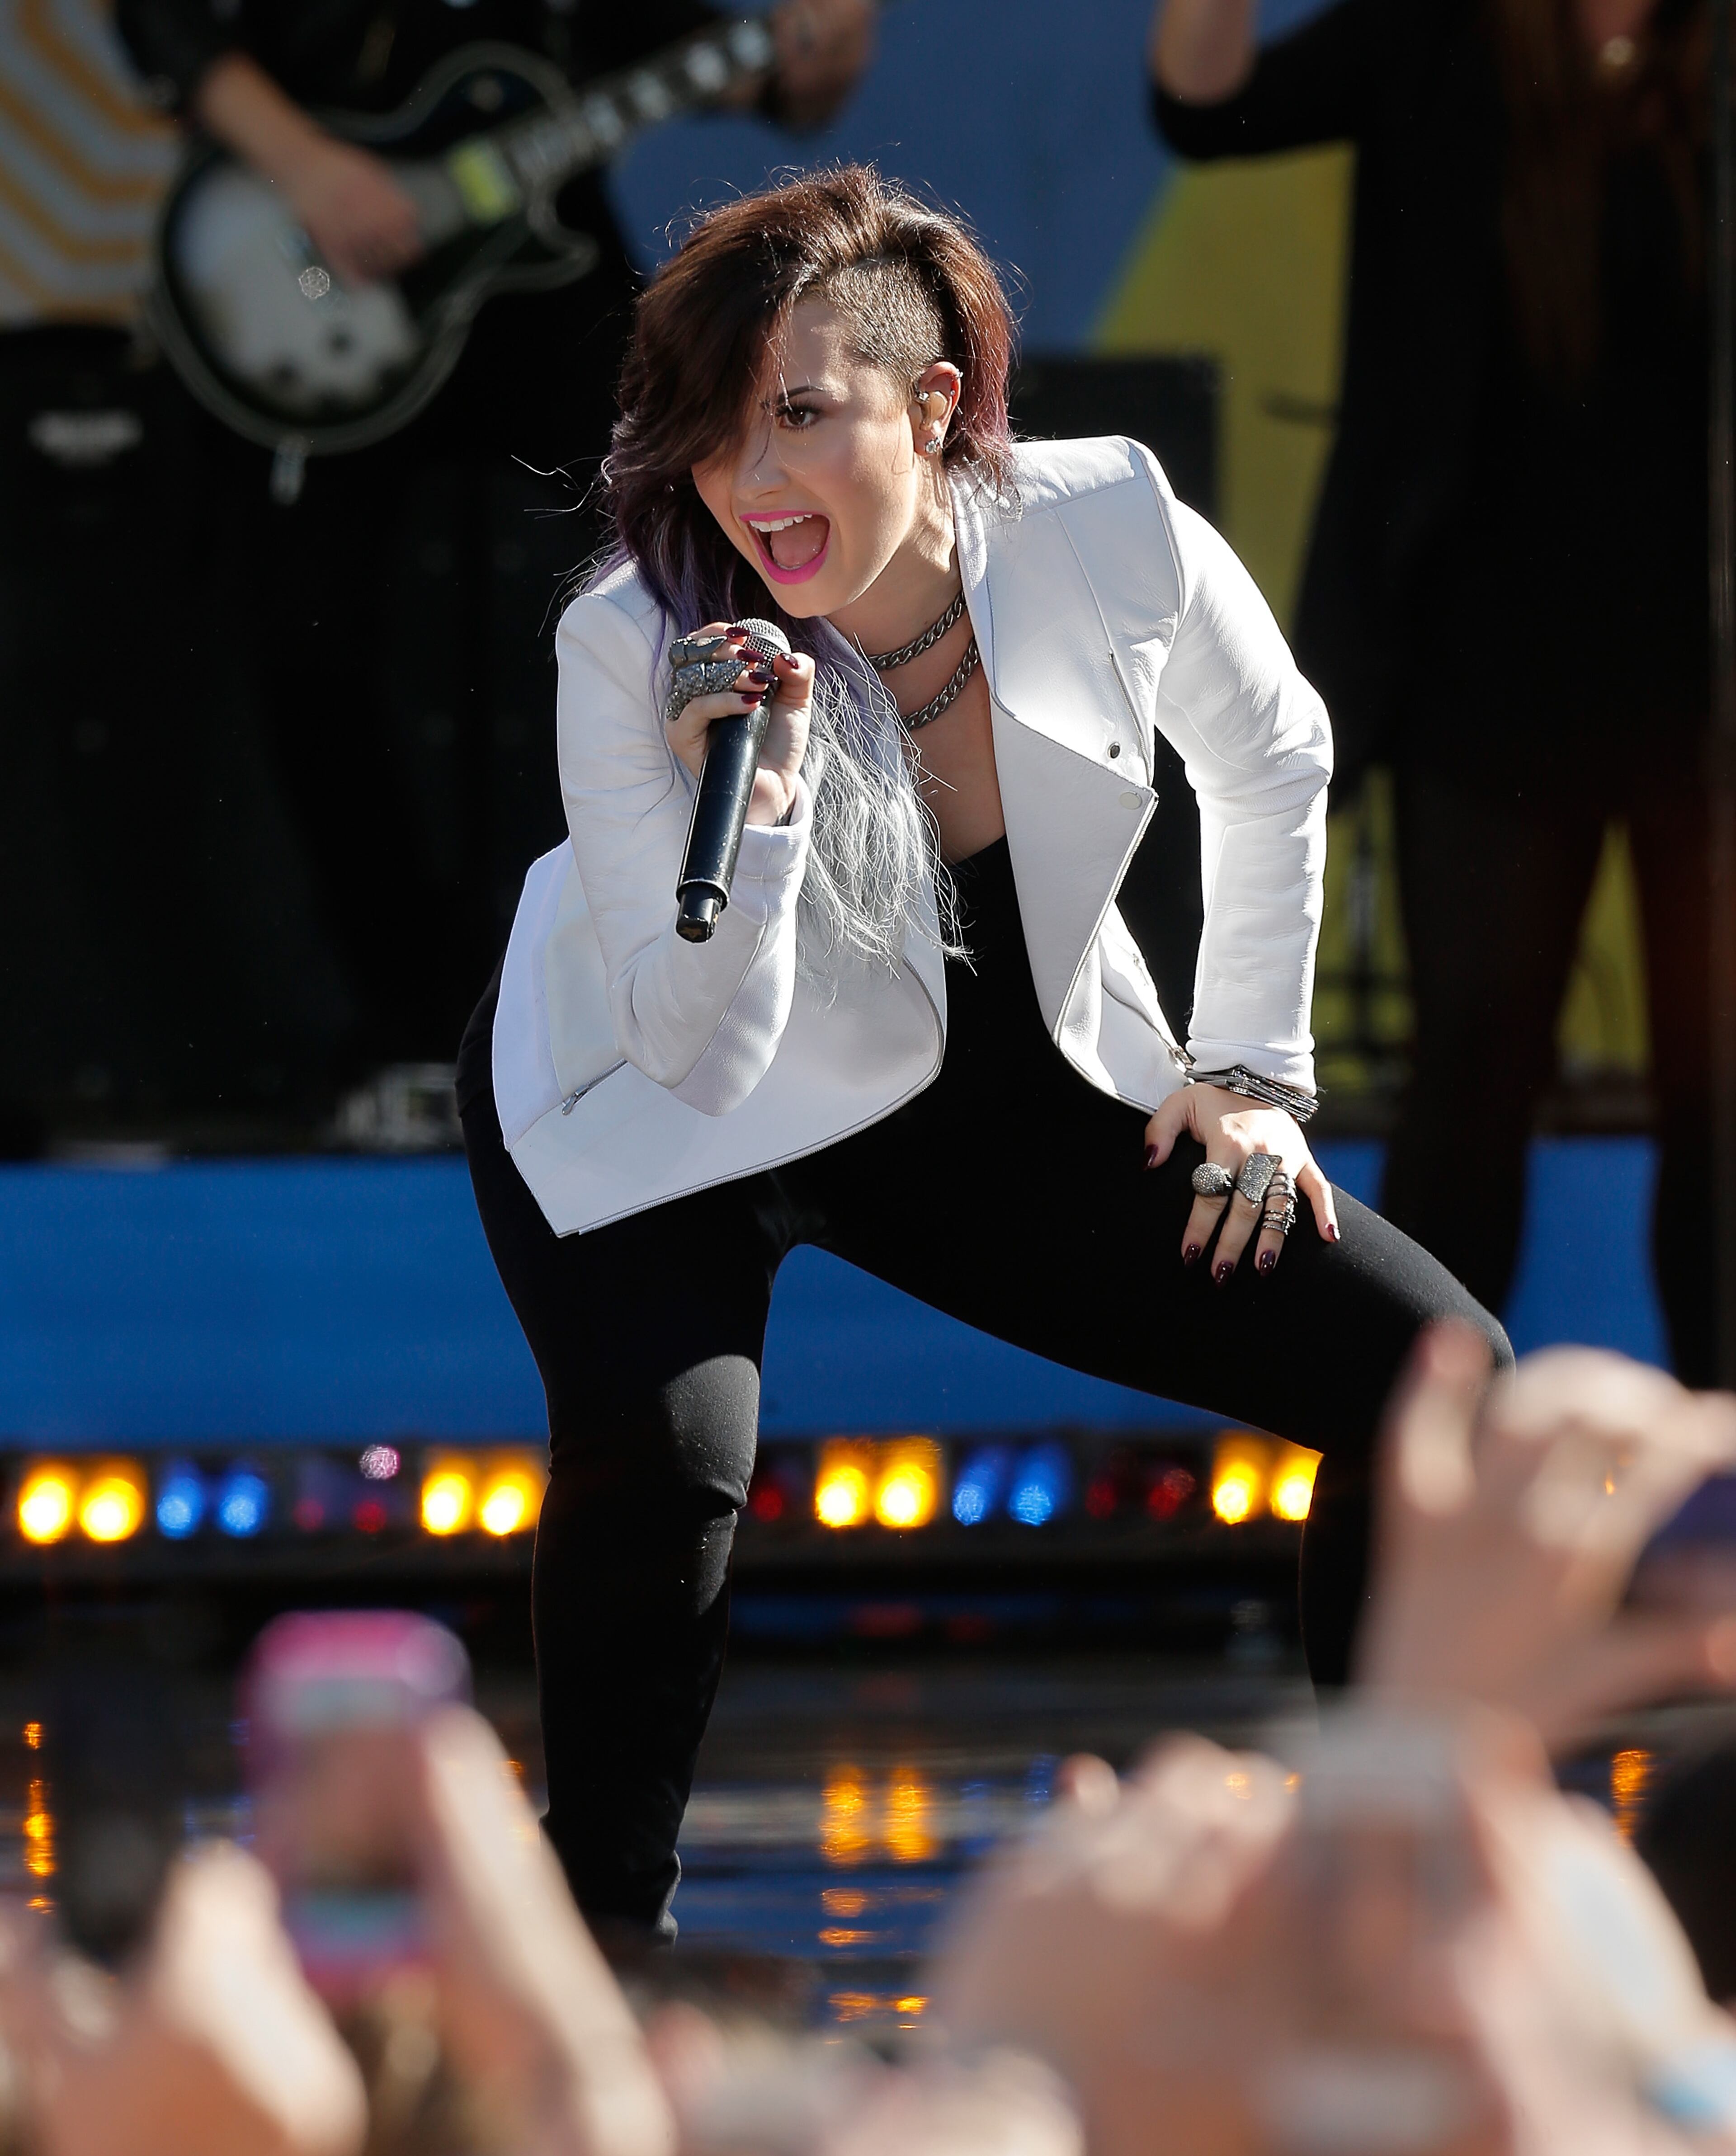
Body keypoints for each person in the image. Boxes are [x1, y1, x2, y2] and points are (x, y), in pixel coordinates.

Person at [453, 162, 1510, 1947]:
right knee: (668, 1452)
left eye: (801, 415)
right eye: (716, 434)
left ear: (932, 402)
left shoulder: (1109, 529)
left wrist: (1251, 1066)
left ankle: (1380, 1899)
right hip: (656, 1096)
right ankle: (596, 1963)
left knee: (1434, 1373)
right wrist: (766, 807)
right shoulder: (632, 638)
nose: (753, 483)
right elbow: (697, 1053)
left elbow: (1275, 755)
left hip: (994, 1073)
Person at [114, 0, 875, 1092]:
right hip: (313, 246)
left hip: (536, 260)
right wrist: (312, 167)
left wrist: (808, 56)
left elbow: (721, 65)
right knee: (305, 632)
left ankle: (683, 992)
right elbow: (166, 24)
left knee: (685, 567)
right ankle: (402, 1022)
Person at [1149, 0, 1713, 1379]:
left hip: (1710, 672)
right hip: (1489, 663)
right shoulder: (1440, 37)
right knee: (1473, 1072)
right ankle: (1426, 1461)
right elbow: (1206, 107)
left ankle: (1720, 1496)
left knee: (1728, 1100)